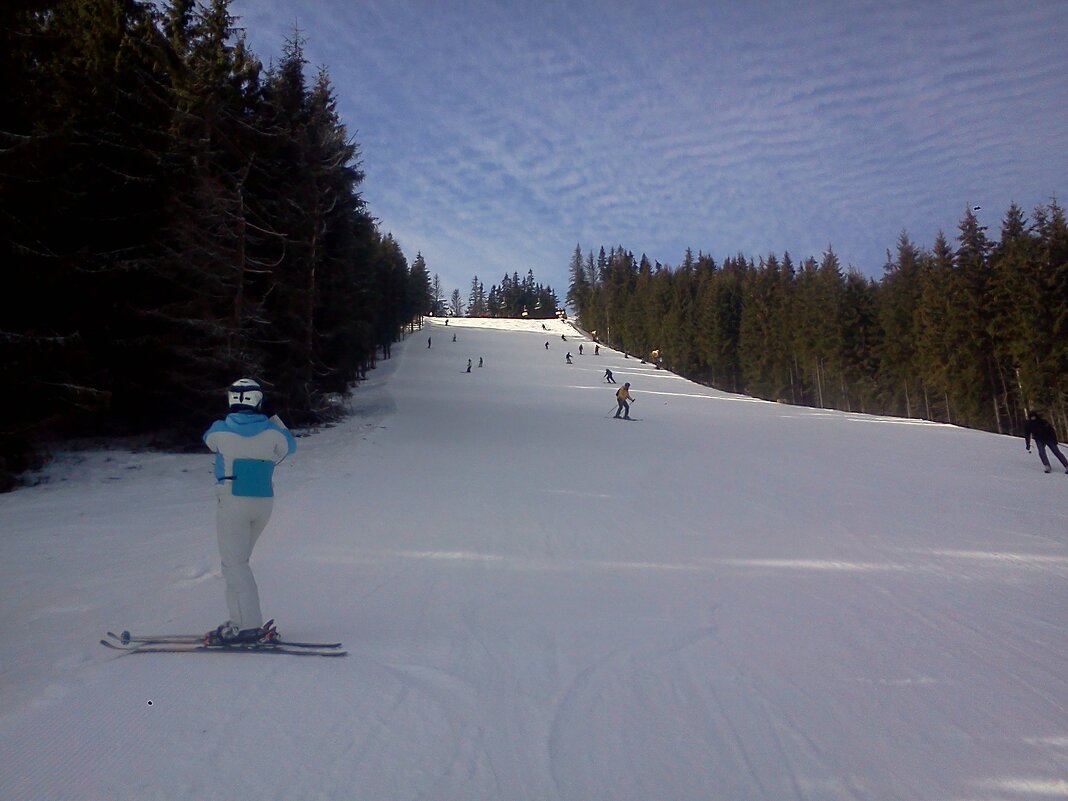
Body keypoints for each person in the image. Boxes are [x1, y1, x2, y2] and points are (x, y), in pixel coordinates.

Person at [202, 379, 296, 644]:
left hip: (232, 502)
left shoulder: (219, 431)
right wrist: (273, 418)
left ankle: (247, 626)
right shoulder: (273, 433)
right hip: (263, 503)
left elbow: (208, 441)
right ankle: (239, 621)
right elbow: (290, 446)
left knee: (235, 564)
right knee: (237, 563)